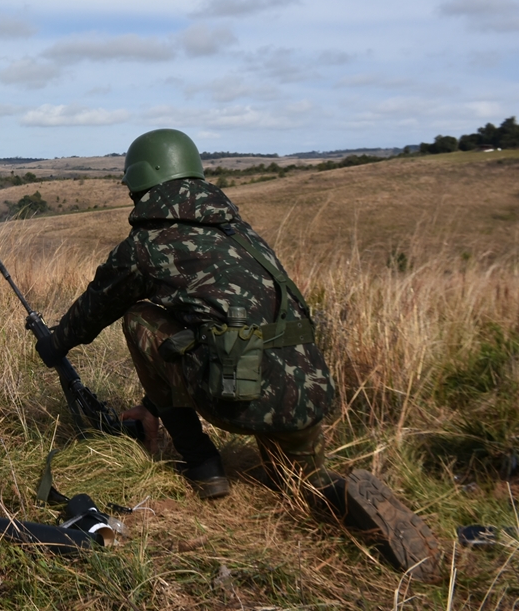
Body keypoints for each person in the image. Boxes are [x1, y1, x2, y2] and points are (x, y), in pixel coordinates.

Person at [34, 129, 442, 581]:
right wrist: (151, 405)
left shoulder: (148, 245)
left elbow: (95, 309)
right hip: (306, 393)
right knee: (304, 485)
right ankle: (344, 495)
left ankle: (203, 465)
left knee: (137, 317)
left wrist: (54, 344)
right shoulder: (242, 234)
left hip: (239, 393)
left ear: (141, 183)